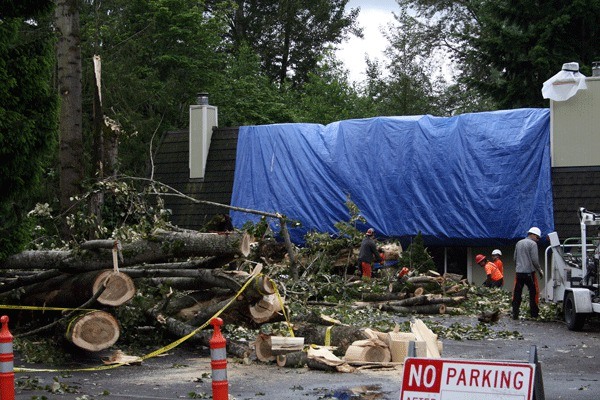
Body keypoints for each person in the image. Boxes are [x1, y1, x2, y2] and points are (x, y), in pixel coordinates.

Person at [512, 227, 544, 319]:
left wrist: (517, 267)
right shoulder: (533, 244)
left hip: (519, 272)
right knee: (533, 292)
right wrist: (539, 270)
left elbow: (515, 258)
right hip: (529, 273)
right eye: (538, 238)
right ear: (533, 235)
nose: (538, 240)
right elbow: (535, 260)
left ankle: (515, 313)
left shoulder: (519, 243)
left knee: (517, 293)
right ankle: (534, 314)